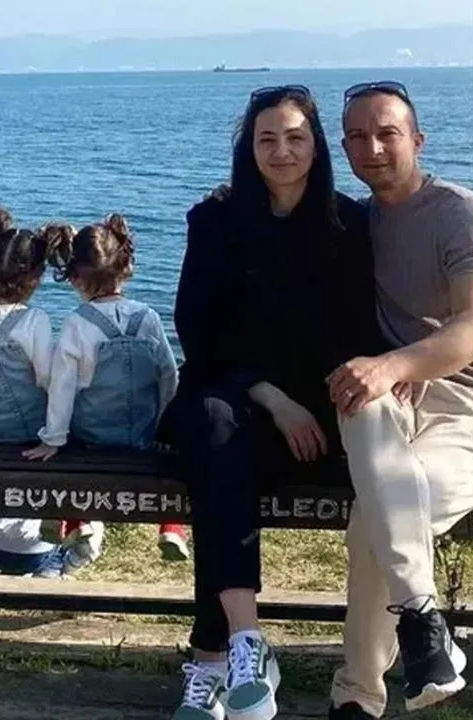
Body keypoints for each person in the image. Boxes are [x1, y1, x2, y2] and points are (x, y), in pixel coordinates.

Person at [164, 84, 386, 720]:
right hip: (232, 398)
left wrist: (308, 405)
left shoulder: (350, 225)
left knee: (218, 471)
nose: (282, 151)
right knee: (215, 429)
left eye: (295, 137)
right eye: (267, 139)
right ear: (249, 147)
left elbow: (358, 336)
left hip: (315, 421)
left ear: (316, 146)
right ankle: (247, 640)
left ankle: (211, 660)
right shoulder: (215, 221)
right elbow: (196, 330)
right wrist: (270, 396)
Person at [326, 80, 473, 719]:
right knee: (358, 397)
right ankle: (423, 629)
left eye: (387, 133)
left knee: (377, 516)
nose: (373, 148)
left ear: (418, 139)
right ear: (344, 149)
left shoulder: (463, 215)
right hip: (396, 402)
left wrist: (397, 362)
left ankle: (359, 692)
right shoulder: (356, 224)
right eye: (358, 137)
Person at [22, 215, 186, 566]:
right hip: (143, 435)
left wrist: (53, 438)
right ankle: (172, 527)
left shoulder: (77, 324)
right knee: (173, 469)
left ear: (76, 278)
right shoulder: (148, 317)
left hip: (93, 436)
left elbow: (63, 388)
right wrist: (165, 427)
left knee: (66, 452)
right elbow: (168, 375)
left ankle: (78, 520)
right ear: (125, 267)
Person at [0, 208, 99, 576]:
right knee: (77, 437)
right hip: (34, 441)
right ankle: (71, 520)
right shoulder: (34, 321)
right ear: (35, 279)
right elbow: (49, 381)